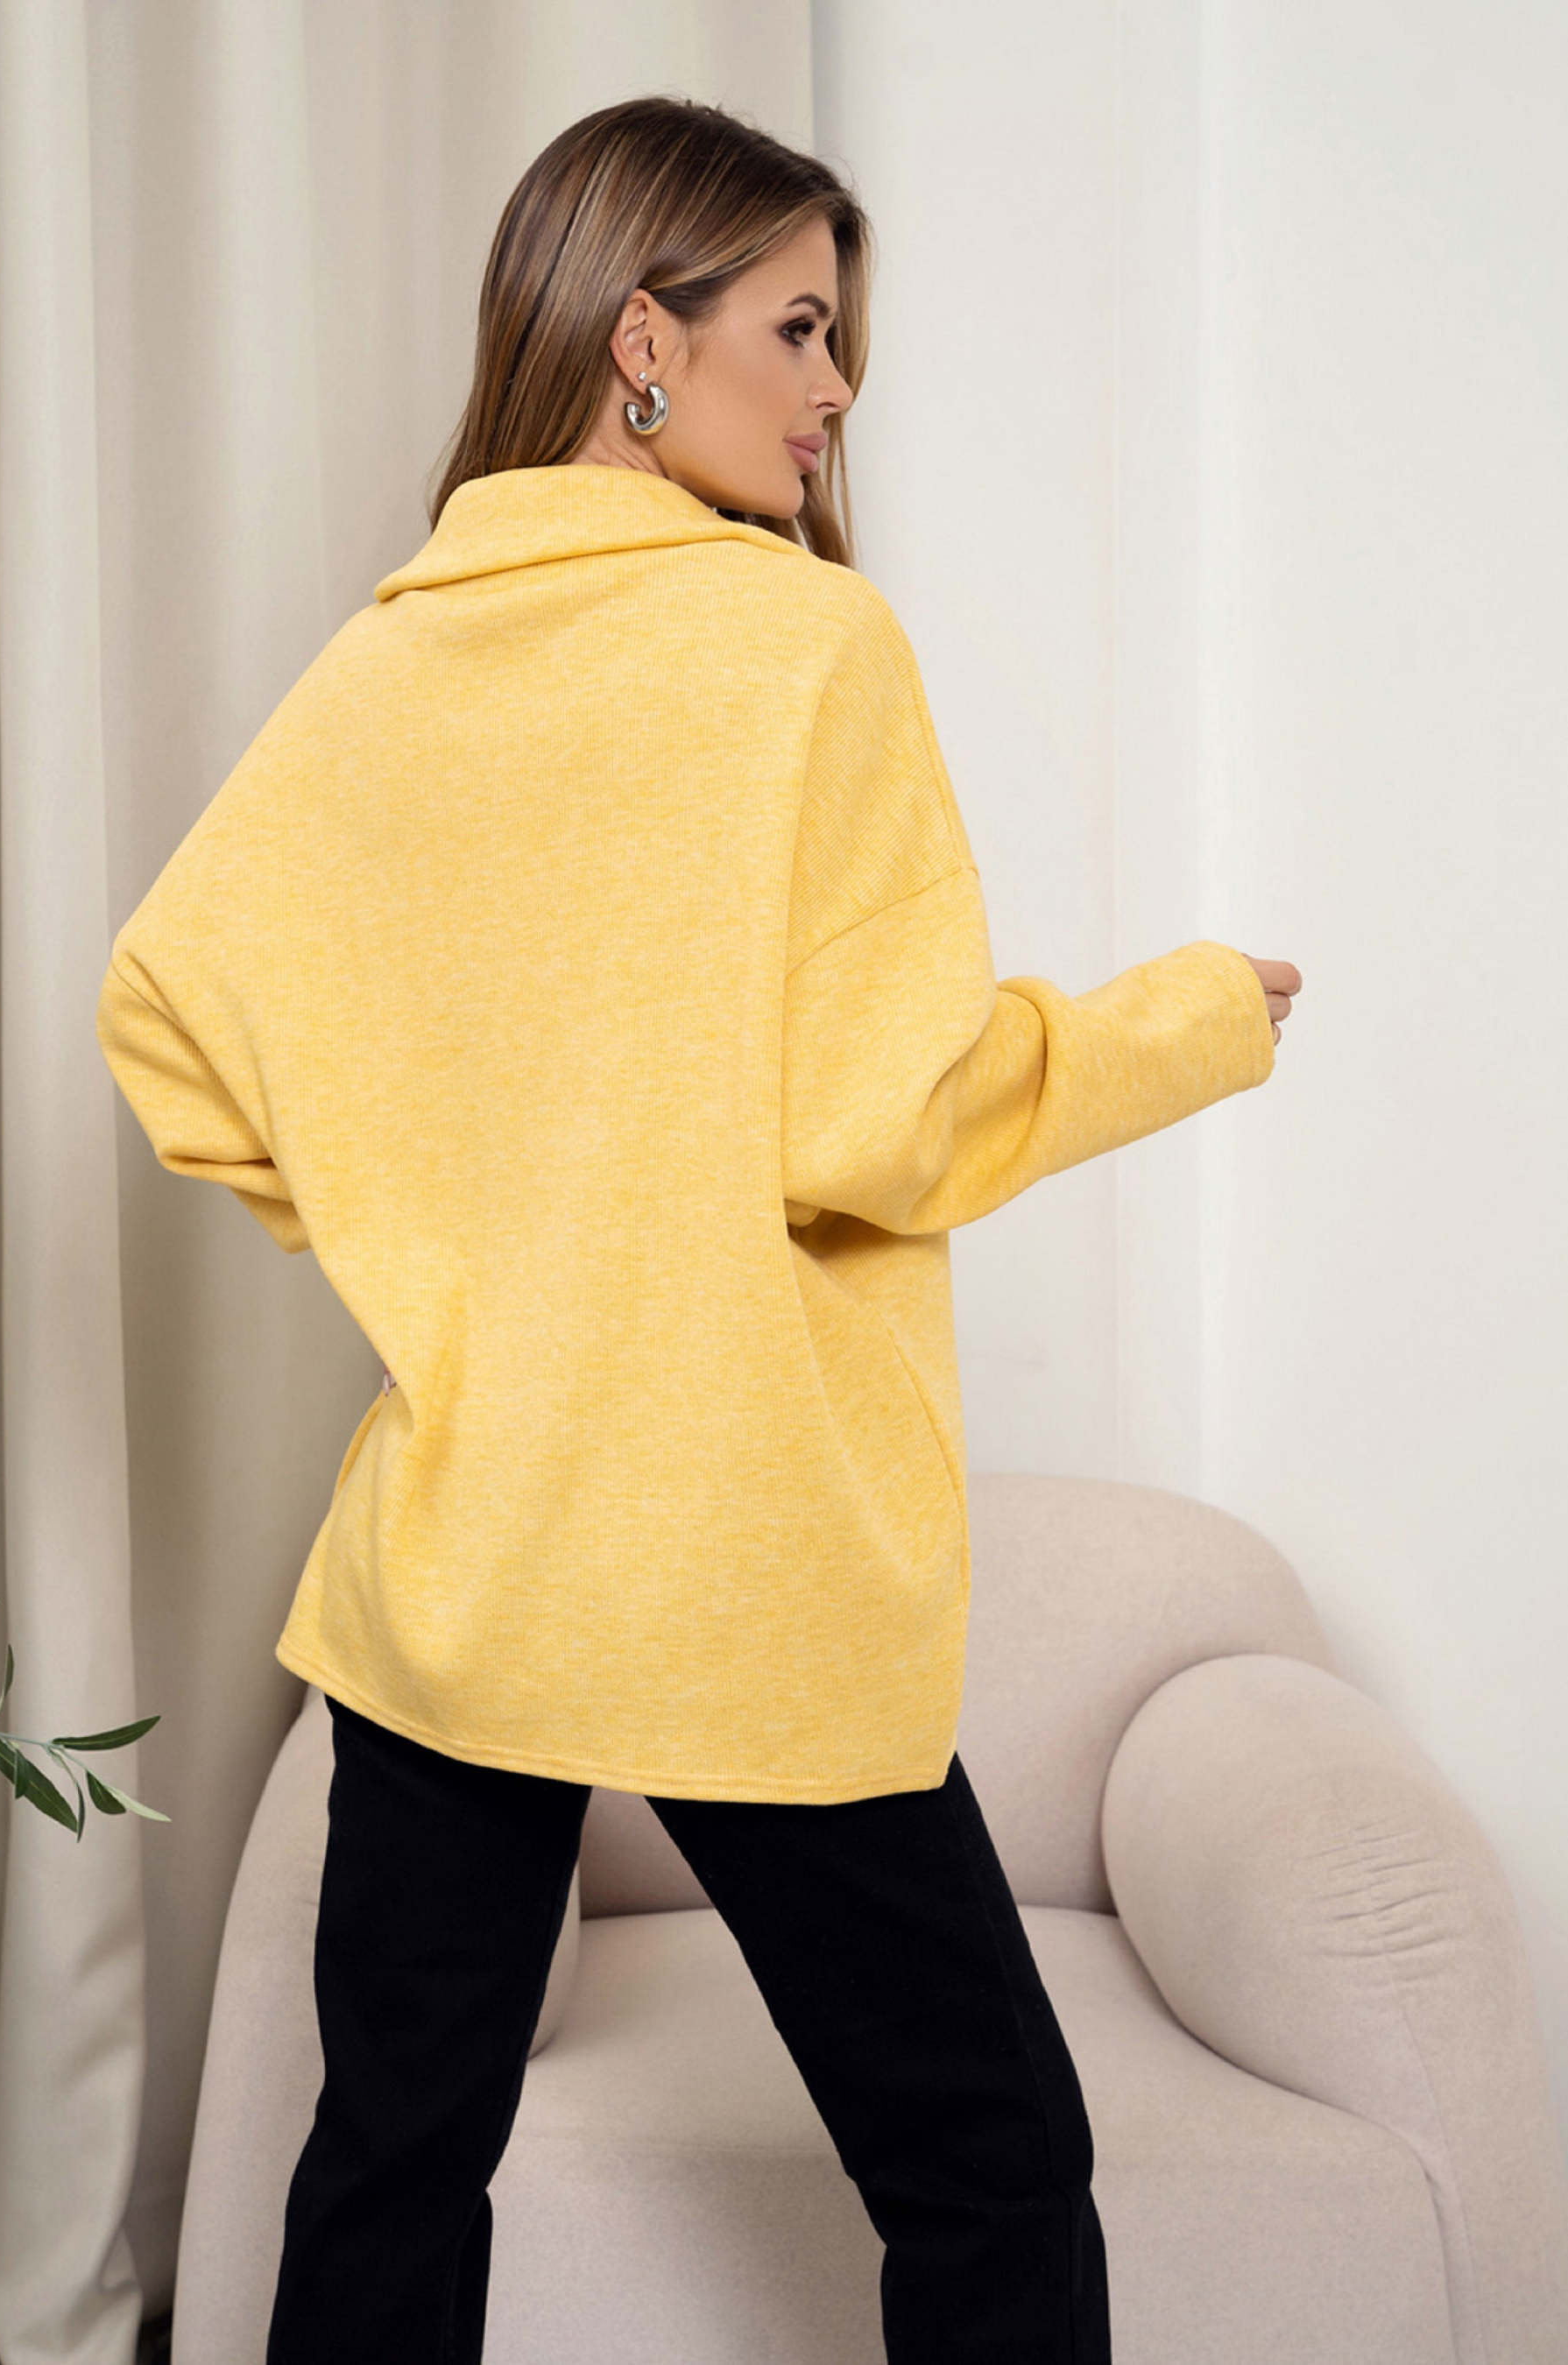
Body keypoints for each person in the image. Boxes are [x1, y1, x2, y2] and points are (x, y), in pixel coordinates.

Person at [96, 94, 1300, 2365]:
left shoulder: (390, 662)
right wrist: (1183, 1024)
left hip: (467, 1548)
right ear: (642, 339)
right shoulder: (798, 648)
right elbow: (886, 1124)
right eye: (801, 329)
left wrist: (437, 1239)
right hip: (739, 1548)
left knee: (391, 2157)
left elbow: (171, 1018)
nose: (837, 392)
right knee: (986, 2161)